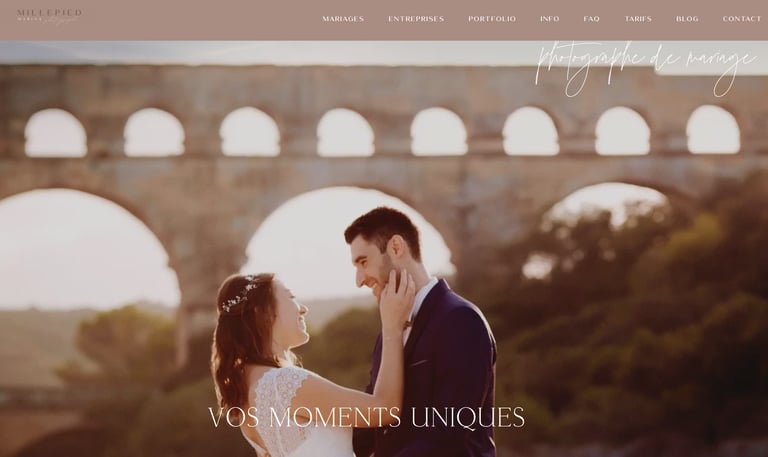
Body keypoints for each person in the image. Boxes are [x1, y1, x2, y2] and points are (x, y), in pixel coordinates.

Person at [211, 270, 415, 457]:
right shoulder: (283, 384)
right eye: (291, 297)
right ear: (261, 312)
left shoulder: (247, 391)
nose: (303, 309)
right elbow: (385, 409)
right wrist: (392, 327)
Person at [346, 206, 497, 457]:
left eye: (363, 262)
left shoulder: (460, 319)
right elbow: (372, 425)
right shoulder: (388, 333)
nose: (359, 279)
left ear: (396, 247)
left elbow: (449, 435)